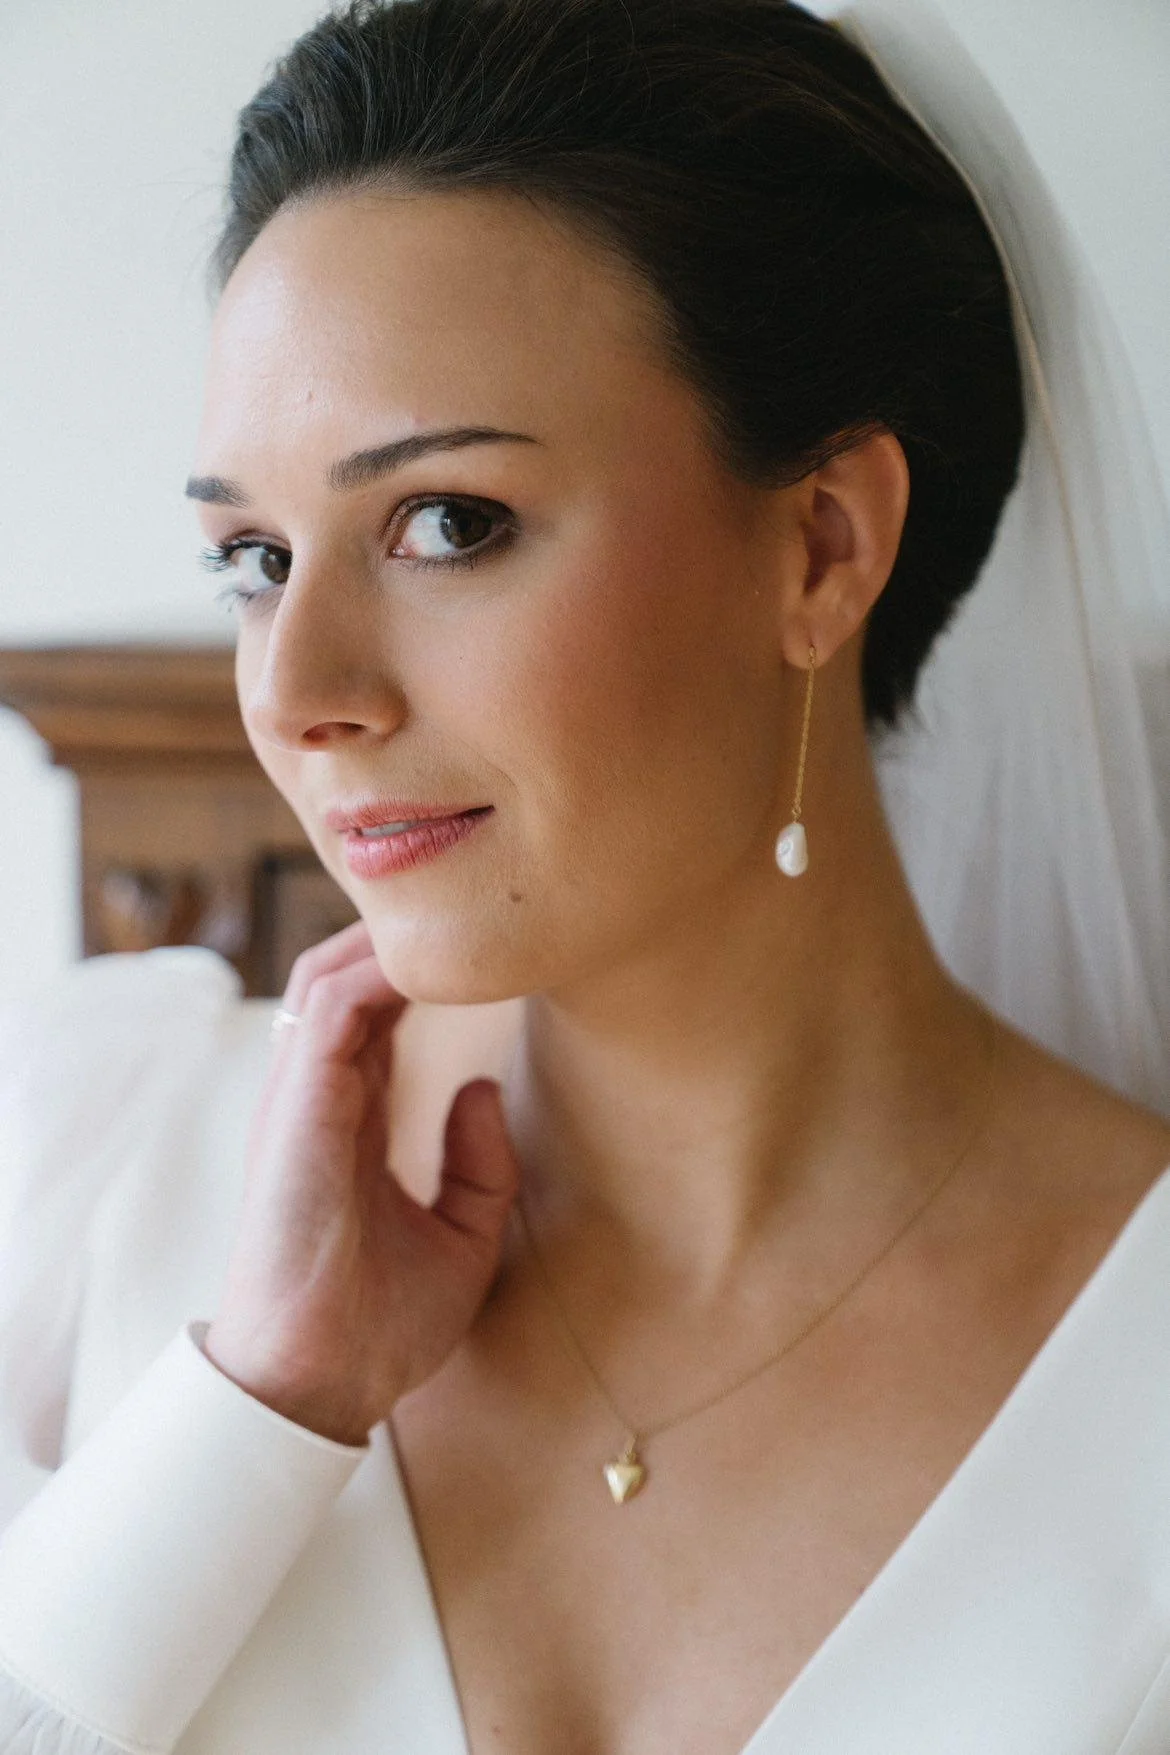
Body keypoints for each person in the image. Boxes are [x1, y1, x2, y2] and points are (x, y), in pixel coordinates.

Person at [1, 0, 1169, 1750]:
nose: (299, 694)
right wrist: (262, 1405)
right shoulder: (108, 1166)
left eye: (445, 522)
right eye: (251, 555)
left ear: (819, 549)